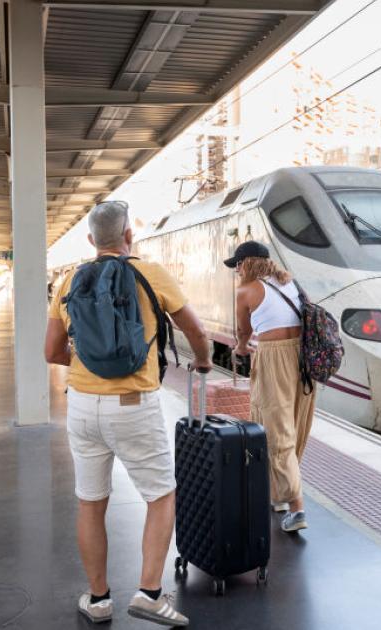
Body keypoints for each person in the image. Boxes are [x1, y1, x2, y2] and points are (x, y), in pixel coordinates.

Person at [45, 200, 212, 627]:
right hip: (134, 405)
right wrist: (204, 360)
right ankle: (150, 593)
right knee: (160, 496)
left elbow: (51, 351)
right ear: (129, 236)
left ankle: (98, 599)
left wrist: (89, 361)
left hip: (81, 405)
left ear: (90, 240)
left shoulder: (68, 280)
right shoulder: (150, 273)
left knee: (90, 503)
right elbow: (195, 330)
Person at [228, 240, 316, 533]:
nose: (236, 271)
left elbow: (243, 332)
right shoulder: (290, 282)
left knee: (277, 431)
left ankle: (297, 508)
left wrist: (240, 348)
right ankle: (280, 493)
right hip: (303, 358)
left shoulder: (245, 291)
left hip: (274, 356)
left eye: (237, 265)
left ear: (245, 264)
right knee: (293, 424)